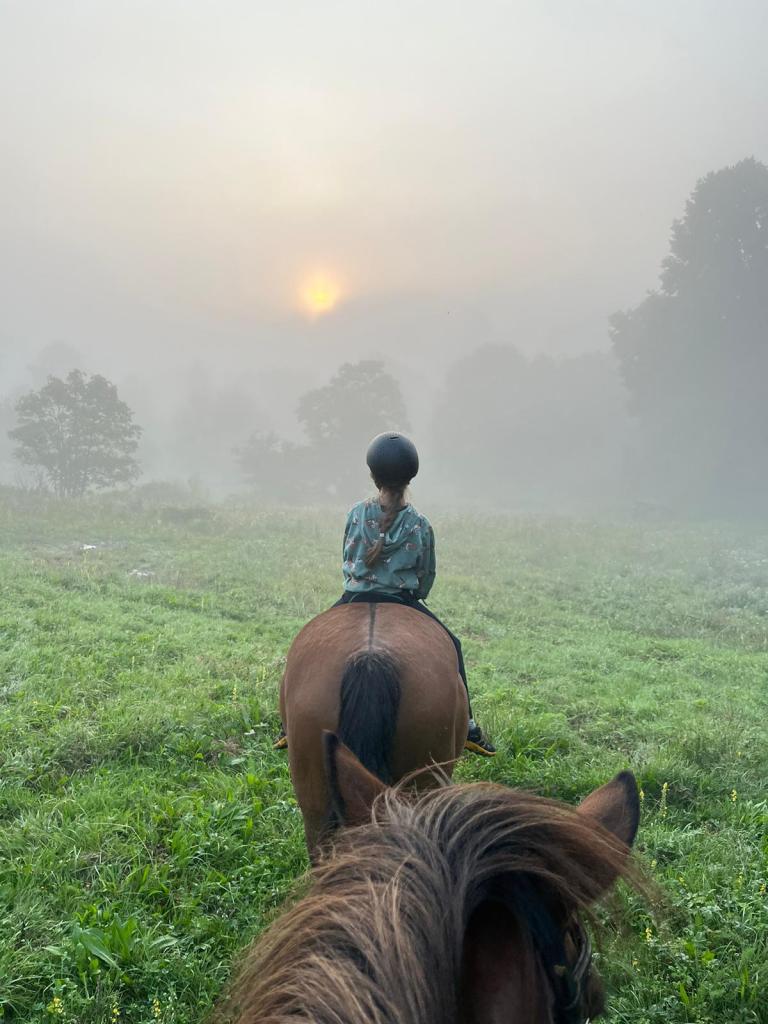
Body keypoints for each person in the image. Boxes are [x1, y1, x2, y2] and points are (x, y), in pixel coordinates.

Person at [275, 431, 495, 756]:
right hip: (403, 600)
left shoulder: (355, 514)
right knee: (454, 645)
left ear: (373, 475)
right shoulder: (419, 524)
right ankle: (470, 727)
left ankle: (287, 725)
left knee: (305, 643)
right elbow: (425, 575)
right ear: (410, 477)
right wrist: (415, 591)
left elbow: (348, 558)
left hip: (353, 597)